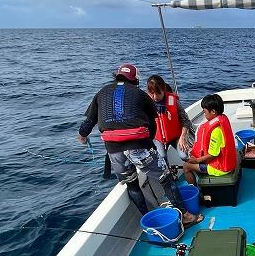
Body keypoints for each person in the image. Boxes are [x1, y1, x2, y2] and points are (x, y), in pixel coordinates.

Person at [78, 63, 203, 227]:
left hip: (113, 150)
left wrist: (82, 136)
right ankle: (186, 216)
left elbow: (88, 123)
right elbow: (152, 125)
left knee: (132, 184)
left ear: (116, 76)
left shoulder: (101, 93)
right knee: (165, 177)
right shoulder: (140, 95)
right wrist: (148, 144)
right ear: (136, 79)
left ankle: (149, 220)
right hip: (138, 146)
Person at [183, 94, 237, 185]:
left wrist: (197, 160)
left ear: (213, 111)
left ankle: (195, 190)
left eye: (205, 112)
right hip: (228, 162)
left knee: (186, 166)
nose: (204, 115)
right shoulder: (222, 120)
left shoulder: (216, 131)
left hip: (220, 168)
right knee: (193, 159)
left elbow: (213, 154)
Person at [146, 74, 195, 162]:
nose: (155, 97)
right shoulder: (145, 102)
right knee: (162, 157)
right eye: (152, 94)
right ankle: (168, 173)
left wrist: (182, 137)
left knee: (184, 155)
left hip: (176, 136)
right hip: (157, 138)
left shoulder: (173, 101)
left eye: (158, 93)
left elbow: (186, 121)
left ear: (163, 90)